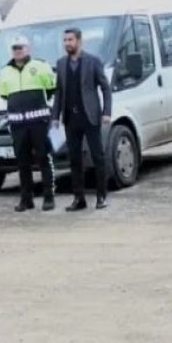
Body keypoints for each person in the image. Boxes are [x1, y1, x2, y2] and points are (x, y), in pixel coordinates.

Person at [50, 27, 114, 211]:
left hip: (90, 115)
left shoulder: (93, 61)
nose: (67, 43)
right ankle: (79, 198)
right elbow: (59, 91)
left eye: (70, 40)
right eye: (65, 40)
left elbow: (105, 88)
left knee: (97, 156)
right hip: (70, 117)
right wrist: (55, 116)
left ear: (79, 41)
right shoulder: (61, 63)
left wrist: (106, 112)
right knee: (75, 160)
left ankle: (101, 196)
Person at [0, 36, 58, 213]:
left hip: (38, 122)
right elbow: (4, 95)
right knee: (22, 163)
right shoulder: (5, 71)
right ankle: (26, 199)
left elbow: (50, 87)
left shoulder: (40, 66)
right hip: (17, 125)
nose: (18, 51)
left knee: (43, 159)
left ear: (28, 49)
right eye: (15, 48)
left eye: (21, 47)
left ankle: (48, 196)